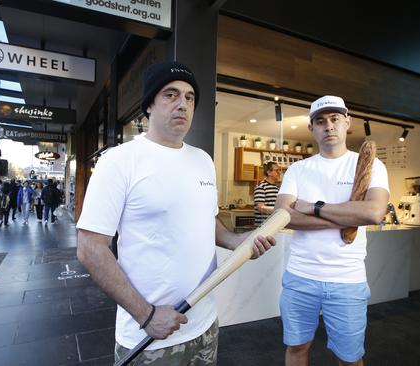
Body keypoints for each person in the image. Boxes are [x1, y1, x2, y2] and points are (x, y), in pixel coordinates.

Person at [76, 61, 276, 366]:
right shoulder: (119, 160)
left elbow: (207, 220)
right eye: (170, 95)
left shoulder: (203, 160)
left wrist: (238, 241)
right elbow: (90, 248)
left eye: (189, 97)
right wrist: (146, 315)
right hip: (151, 335)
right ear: (149, 107)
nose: (182, 103)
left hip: (205, 323)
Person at [274, 95, 390, 366]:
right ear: (311, 128)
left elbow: (373, 212)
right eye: (321, 121)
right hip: (300, 277)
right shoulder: (298, 169)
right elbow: (283, 216)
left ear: (347, 123)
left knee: (349, 358)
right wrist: (348, 215)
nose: (329, 126)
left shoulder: (371, 166)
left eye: (335, 119)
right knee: (296, 348)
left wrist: (312, 207)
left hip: (347, 280)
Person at [253, 161, 282, 226]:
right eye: (277, 170)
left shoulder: (277, 188)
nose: (279, 173)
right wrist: (279, 210)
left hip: (275, 225)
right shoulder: (261, 186)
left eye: (280, 170)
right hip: (263, 227)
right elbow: (261, 208)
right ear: (269, 172)